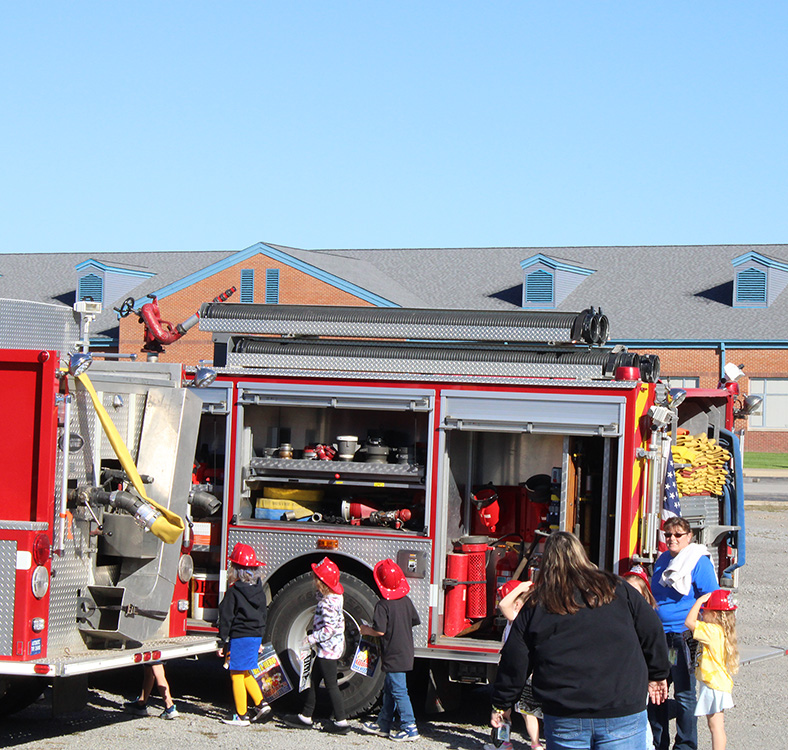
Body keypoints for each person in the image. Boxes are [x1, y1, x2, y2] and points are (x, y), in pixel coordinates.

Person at [490, 531, 670, 750]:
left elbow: (515, 659)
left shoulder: (537, 603)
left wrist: (502, 704)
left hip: (566, 714)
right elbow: (652, 629)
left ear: (549, 562)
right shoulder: (618, 590)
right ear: (582, 556)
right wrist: (658, 674)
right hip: (621, 709)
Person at [649, 516, 718, 750]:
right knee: (656, 692)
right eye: (668, 534)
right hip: (662, 639)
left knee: (684, 695)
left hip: (682, 637)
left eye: (678, 535)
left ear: (689, 537)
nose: (672, 539)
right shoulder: (662, 561)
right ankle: (658, 743)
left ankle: (686, 745)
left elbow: (712, 596)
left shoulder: (698, 561)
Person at [283, 557, 349, 734]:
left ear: (321, 583)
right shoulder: (336, 597)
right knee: (313, 680)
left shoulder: (327, 603)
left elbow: (328, 630)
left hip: (327, 650)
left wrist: (311, 639)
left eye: (316, 579)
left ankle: (341, 721)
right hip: (331, 648)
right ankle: (306, 715)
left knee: (331, 685)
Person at [360, 559, 421, 742]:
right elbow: (414, 621)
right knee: (390, 689)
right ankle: (383, 724)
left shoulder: (382, 605)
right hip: (405, 651)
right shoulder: (406, 601)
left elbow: (380, 631)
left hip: (392, 654)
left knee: (399, 691)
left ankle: (410, 727)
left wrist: (365, 630)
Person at [217, 542, 271, 726]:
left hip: (240, 637)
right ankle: (261, 703)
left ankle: (241, 715)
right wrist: (261, 638)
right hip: (255, 636)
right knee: (246, 671)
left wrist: (221, 641)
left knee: (236, 675)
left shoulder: (233, 592)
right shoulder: (259, 591)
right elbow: (264, 614)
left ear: (235, 569)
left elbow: (226, 617)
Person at [485, 579, 543, 750]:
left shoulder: (516, 618)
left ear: (517, 603)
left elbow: (503, 604)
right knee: (528, 712)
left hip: (516, 672)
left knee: (504, 710)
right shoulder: (529, 619)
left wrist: (519, 588)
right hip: (527, 672)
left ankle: (503, 743)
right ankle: (535, 744)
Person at [685, 590, 738, 750]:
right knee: (715, 725)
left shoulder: (712, 632)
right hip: (715, 683)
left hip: (713, 685)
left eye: (705, 611)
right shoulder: (719, 630)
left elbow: (689, 622)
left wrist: (699, 601)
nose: (702, 612)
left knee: (716, 727)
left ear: (715, 615)